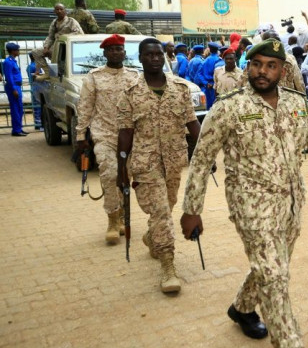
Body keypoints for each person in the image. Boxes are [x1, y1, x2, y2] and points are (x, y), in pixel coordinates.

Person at [179, 38, 308, 348]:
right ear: (248, 66)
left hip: (291, 203)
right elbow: (201, 158)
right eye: (257, 64)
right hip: (251, 206)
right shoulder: (229, 108)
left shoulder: (298, 105)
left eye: (271, 66)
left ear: (282, 70)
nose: (263, 71)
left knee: (274, 265)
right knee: (275, 277)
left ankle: (242, 309)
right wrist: (191, 209)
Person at [117, 38, 200, 293]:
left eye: (158, 54)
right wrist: (121, 168)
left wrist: (205, 154)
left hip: (174, 161)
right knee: (162, 212)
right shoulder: (130, 92)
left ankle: (152, 237)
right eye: (149, 55)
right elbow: (125, 133)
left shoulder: (180, 89)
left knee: (169, 205)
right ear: (140, 58)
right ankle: (168, 266)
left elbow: (192, 124)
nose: (154, 58)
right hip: (145, 162)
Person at [75, 34, 139, 243]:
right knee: (110, 173)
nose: (115, 52)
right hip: (104, 134)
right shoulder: (94, 77)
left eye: (119, 49)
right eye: (111, 49)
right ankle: (112, 219)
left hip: (129, 135)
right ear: (104, 53)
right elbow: (85, 106)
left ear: (124, 52)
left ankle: (121, 216)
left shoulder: (134, 76)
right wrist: (80, 135)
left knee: (125, 176)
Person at [32, 3, 84, 79]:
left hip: (68, 48)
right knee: (36, 52)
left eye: (61, 9)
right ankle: (48, 73)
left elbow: (79, 34)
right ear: (54, 11)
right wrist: (46, 47)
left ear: (65, 11)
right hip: (56, 47)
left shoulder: (71, 21)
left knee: (60, 65)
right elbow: (50, 37)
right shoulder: (54, 23)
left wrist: (63, 37)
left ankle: (58, 76)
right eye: (57, 9)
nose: (59, 11)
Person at [2, 43, 26, 136]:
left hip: (17, 86)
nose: (18, 52)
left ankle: (18, 128)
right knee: (16, 108)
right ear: (13, 51)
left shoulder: (13, 61)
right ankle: (16, 130)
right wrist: (13, 89)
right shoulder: (8, 62)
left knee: (19, 108)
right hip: (13, 86)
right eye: (17, 50)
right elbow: (9, 76)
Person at [196, 42, 220, 109]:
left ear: (209, 49)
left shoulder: (205, 61)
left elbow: (199, 74)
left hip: (207, 86)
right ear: (217, 50)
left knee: (209, 106)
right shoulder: (218, 60)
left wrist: (206, 83)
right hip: (216, 86)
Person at [25, 54, 42, 130]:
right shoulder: (35, 66)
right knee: (39, 105)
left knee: (35, 105)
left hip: (33, 86)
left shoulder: (29, 66)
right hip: (37, 86)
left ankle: (37, 123)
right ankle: (40, 124)